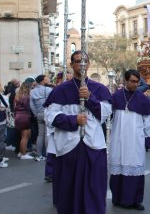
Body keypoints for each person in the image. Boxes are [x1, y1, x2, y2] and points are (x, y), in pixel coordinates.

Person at [44, 50, 112, 214]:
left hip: (93, 145)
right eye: (77, 61)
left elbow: (105, 113)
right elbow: (50, 116)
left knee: (94, 185)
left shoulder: (99, 88)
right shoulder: (60, 90)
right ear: (71, 64)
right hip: (69, 146)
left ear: (89, 64)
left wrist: (89, 98)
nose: (81, 64)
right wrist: (73, 120)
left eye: (84, 61)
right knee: (68, 186)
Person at [109, 69, 150, 211]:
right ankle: (117, 198)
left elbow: (149, 121)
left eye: (137, 82)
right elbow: (107, 116)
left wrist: (149, 140)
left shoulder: (142, 98)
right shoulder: (116, 96)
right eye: (132, 81)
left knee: (135, 167)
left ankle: (135, 200)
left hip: (136, 140)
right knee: (118, 166)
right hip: (118, 139)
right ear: (125, 81)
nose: (135, 84)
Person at [30, 74, 53, 161]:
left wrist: (36, 113)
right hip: (47, 113)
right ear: (42, 81)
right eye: (46, 79)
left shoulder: (32, 91)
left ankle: (39, 154)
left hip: (38, 114)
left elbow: (31, 104)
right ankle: (47, 154)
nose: (47, 80)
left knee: (40, 134)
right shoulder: (48, 90)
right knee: (47, 134)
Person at [15, 81, 34, 160]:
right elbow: (28, 108)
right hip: (25, 117)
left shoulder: (18, 95)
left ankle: (21, 152)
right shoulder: (26, 97)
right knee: (25, 136)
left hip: (18, 116)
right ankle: (23, 154)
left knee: (22, 136)